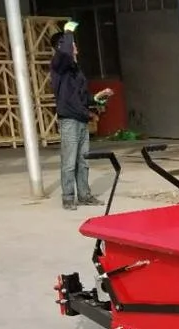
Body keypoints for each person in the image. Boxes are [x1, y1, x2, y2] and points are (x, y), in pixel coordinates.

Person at [50, 22, 113, 210]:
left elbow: (83, 96)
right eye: (71, 43)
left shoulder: (76, 70)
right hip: (69, 120)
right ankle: (68, 198)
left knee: (83, 160)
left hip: (81, 118)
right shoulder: (59, 66)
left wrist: (97, 98)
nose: (75, 46)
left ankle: (84, 195)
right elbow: (64, 54)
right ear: (61, 46)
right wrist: (68, 31)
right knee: (69, 162)